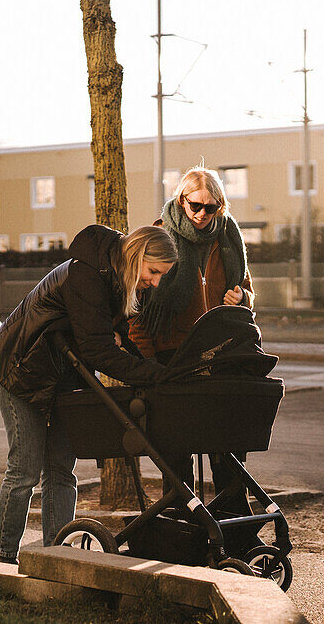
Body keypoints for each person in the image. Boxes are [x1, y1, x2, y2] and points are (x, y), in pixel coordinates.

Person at [0, 224, 177, 565]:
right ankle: (4, 557)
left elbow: (110, 338)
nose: (156, 282)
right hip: (21, 373)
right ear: (138, 256)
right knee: (24, 470)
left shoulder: (117, 277)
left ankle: (57, 555)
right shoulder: (86, 276)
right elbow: (99, 350)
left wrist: (151, 367)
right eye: (154, 272)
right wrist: (157, 374)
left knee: (60, 470)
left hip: (61, 376)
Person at [128, 166, 256, 515]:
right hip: (173, 357)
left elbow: (248, 291)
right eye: (194, 205)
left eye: (210, 208)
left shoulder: (229, 238)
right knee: (177, 450)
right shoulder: (160, 236)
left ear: (221, 206)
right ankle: (179, 521)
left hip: (220, 352)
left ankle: (232, 520)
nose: (201, 214)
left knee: (226, 443)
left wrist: (242, 298)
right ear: (180, 200)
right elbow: (138, 309)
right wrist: (148, 363)